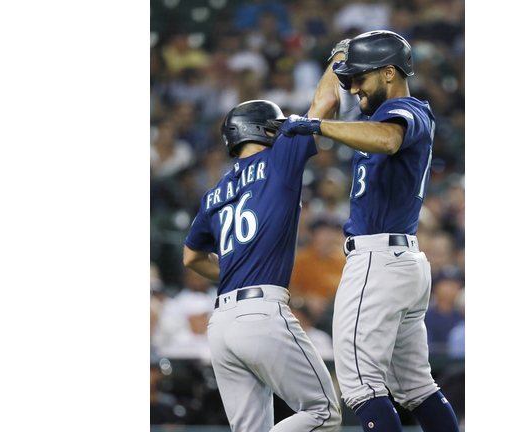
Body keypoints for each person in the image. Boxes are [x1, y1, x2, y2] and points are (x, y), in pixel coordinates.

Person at [280, 30, 460, 432]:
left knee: (360, 385)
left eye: (361, 77)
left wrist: (316, 128)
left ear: (391, 73)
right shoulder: (372, 117)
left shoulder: (407, 111)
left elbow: (389, 138)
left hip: (380, 260)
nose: (354, 86)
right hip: (399, 261)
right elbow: (325, 105)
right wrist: (338, 57)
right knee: (416, 385)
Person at [183, 99, 341, 431]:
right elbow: (325, 102)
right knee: (323, 411)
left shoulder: (213, 193)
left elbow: (191, 256)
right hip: (261, 313)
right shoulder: (277, 158)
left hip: (222, 322)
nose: (279, 129)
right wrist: (339, 55)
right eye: (274, 125)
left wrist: (235, 272)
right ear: (261, 128)